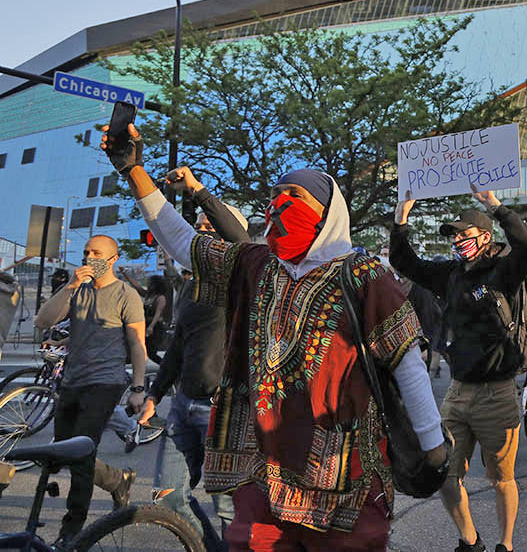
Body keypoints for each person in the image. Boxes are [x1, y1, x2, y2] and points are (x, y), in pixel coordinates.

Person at [106, 126, 445, 550]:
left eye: (294, 196)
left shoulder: (365, 276)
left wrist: (433, 446)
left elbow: (406, 362)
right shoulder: (256, 264)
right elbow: (185, 242)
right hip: (260, 470)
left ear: (325, 212)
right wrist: (136, 173)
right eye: (276, 195)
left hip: (345, 478)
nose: (279, 203)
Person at [391, 187, 527, 552]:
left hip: (497, 392)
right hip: (457, 392)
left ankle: (506, 544)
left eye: (463, 234)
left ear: (484, 238)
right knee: (444, 471)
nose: (457, 240)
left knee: (501, 478)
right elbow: (406, 263)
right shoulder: (451, 275)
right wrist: (401, 218)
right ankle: (469, 540)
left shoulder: (503, 272)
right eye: (453, 235)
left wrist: (496, 207)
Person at [137, 166, 249, 548]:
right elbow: (179, 346)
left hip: (223, 412)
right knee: (165, 498)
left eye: (207, 227)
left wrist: (197, 190)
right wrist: (154, 394)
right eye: (196, 227)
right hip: (182, 407)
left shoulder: (243, 278)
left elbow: (240, 242)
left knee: (229, 510)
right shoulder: (190, 287)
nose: (199, 233)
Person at [34, 234, 145, 547]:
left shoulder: (126, 295)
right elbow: (43, 320)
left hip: (106, 382)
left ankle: (72, 532)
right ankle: (118, 480)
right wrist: (69, 287)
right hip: (73, 380)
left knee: (81, 453)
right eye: (85, 252)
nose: (89, 258)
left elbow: (137, 343)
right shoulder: (77, 291)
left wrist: (138, 387)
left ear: (112, 259)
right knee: (61, 453)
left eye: (96, 253)